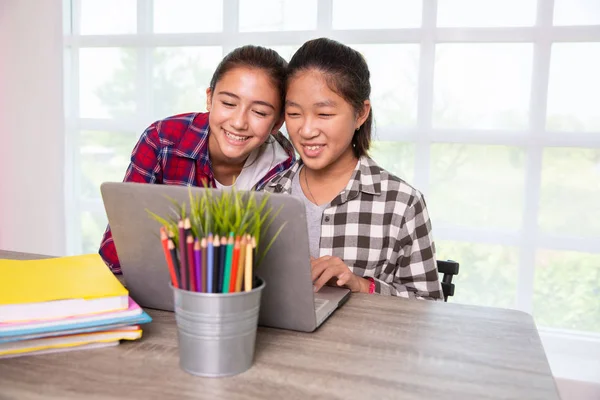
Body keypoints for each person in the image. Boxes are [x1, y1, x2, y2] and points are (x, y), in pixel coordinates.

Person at [263, 38, 443, 300]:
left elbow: (429, 308)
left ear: (360, 114)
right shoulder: (269, 194)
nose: (307, 130)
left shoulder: (401, 203)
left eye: (324, 114)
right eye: (294, 114)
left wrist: (361, 285)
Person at [100, 45, 296, 273]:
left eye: (259, 113)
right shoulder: (162, 141)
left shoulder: (284, 168)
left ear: (278, 122)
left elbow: (271, 268)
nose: (239, 122)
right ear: (210, 98)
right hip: (157, 286)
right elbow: (115, 250)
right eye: (229, 104)